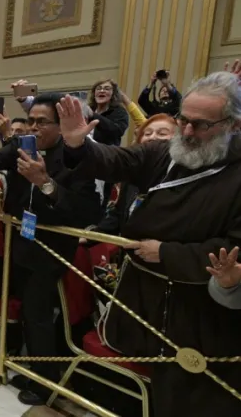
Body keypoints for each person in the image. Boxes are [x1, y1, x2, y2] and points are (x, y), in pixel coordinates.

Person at [56, 71, 241, 417]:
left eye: (200, 125)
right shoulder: (166, 153)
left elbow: (233, 250)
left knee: (195, 396)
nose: (187, 132)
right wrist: (79, 145)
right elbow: (120, 161)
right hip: (145, 296)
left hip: (201, 308)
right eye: (183, 120)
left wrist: (167, 253)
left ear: (231, 125)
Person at [0, 93, 102, 405]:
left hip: (51, 250)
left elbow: (88, 211)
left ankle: (43, 381)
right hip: (18, 243)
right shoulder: (22, 145)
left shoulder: (77, 157)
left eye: (41, 122)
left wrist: (45, 182)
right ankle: (18, 359)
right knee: (20, 308)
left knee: (37, 314)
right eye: (31, 121)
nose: (33, 127)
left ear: (61, 126)